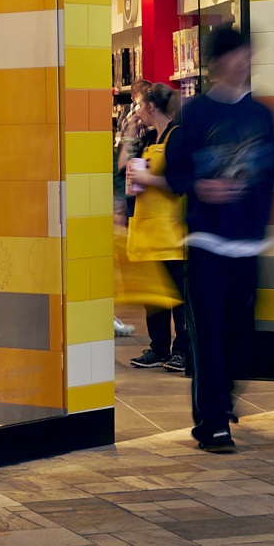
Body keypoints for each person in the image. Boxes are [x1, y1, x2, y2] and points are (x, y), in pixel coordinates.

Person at [154, 26, 274, 457]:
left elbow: (272, 174)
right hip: (206, 243)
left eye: (249, 54)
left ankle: (222, 399)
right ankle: (212, 424)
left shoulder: (263, 116)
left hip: (247, 245)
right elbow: (174, 172)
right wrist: (200, 187)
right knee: (207, 336)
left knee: (241, 341)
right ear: (218, 62)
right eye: (237, 55)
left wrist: (264, 226)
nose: (244, 62)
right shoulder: (196, 114)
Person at [121, 86, 187, 374]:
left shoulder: (177, 136)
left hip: (171, 232)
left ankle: (182, 350)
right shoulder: (148, 138)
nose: (138, 112)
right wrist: (129, 134)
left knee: (178, 298)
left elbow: (179, 182)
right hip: (148, 231)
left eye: (140, 107)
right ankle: (158, 347)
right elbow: (123, 166)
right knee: (153, 298)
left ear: (151, 107)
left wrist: (149, 178)